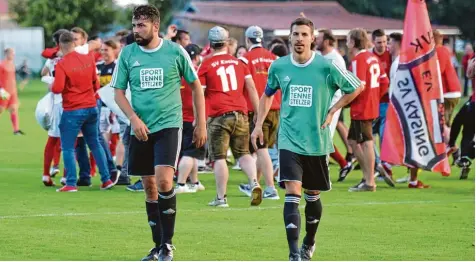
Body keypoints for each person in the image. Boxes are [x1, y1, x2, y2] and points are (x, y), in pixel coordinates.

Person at [251, 17, 362, 260]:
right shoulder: (279, 66)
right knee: (293, 190)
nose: (299, 39)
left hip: (317, 142)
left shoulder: (326, 66)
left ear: (313, 39)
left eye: (304, 34)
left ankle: (309, 241)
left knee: (312, 195)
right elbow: (267, 95)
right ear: (290, 38)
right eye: (295, 34)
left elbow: (356, 87)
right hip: (289, 139)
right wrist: (258, 124)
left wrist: (334, 110)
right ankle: (293, 254)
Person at [112, 5, 206, 261]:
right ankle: (157, 247)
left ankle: (168, 245)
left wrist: (201, 123)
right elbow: (118, 92)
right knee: (149, 187)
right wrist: (133, 119)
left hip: (168, 125)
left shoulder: (175, 52)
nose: (136, 30)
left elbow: (196, 87)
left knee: (165, 181)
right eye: (134, 25)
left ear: (155, 26)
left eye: (141, 25)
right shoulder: (128, 54)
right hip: (140, 129)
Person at [198, 26, 262, 207]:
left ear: (210, 44)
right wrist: (257, 112)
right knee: (244, 154)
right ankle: (254, 183)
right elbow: (251, 89)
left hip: (218, 116)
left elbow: (200, 95)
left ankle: (221, 198)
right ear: (227, 43)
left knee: (219, 157)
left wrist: (200, 119)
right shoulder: (239, 63)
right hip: (240, 113)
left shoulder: (206, 65)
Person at [51, 32, 114, 192]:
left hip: (73, 109)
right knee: (94, 143)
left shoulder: (62, 64)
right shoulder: (88, 58)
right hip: (91, 106)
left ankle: (71, 182)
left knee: (68, 147)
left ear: (60, 45)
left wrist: (51, 85)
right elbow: (96, 83)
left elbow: (58, 88)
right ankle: (106, 179)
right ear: (74, 43)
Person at [346, 28, 391, 192]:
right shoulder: (373, 58)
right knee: (352, 141)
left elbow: (358, 86)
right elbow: (385, 82)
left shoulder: (359, 60)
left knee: (366, 141)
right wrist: (375, 97)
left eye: (348, 39)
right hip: (370, 105)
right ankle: (367, 175)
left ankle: (370, 181)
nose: (346, 43)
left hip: (362, 107)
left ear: (353, 42)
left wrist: (344, 101)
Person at [237, 25, 279, 200]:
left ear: (247, 40)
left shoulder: (244, 59)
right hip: (275, 108)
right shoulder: (275, 59)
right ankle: (256, 183)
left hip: (256, 110)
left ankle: (270, 189)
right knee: (264, 149)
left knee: (260, 150)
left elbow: (243, 87)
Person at [315, 29, 353, 181]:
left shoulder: (336, 59)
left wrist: (334, 107)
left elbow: (344, 84)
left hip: (332, 104)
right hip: (318, 104)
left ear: (326, 41)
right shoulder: (317, 56)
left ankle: (322, 176)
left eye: (318, 39)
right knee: (319, 138)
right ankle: (342, 164)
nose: (315, 41)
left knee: (323, 139)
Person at [175, 43, 206, 194]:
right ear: (196, 57)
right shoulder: (195, 73)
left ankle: (195, 181)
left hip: (179, 118)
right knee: (189, 153)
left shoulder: (176, 72)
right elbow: (197, 97)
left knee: (191, 153)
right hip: (192, 118)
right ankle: (181, 183)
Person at [449, 58, 475, 179]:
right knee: (461, 123)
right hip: (472, 100)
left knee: (467, 129)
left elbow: (469, 74)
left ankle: (465, 156)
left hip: (473, 103)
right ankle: (464, 158)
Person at [0, 48, 24, 135]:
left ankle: (16, 130)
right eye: (12, 54)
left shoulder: (12, 65)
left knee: (14, 109)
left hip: (12, 91)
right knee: (1, 109)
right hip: (4, 91)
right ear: (7, 54)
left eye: (14, 54)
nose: (13, 55)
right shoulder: (2, 65)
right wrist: (1, 90)